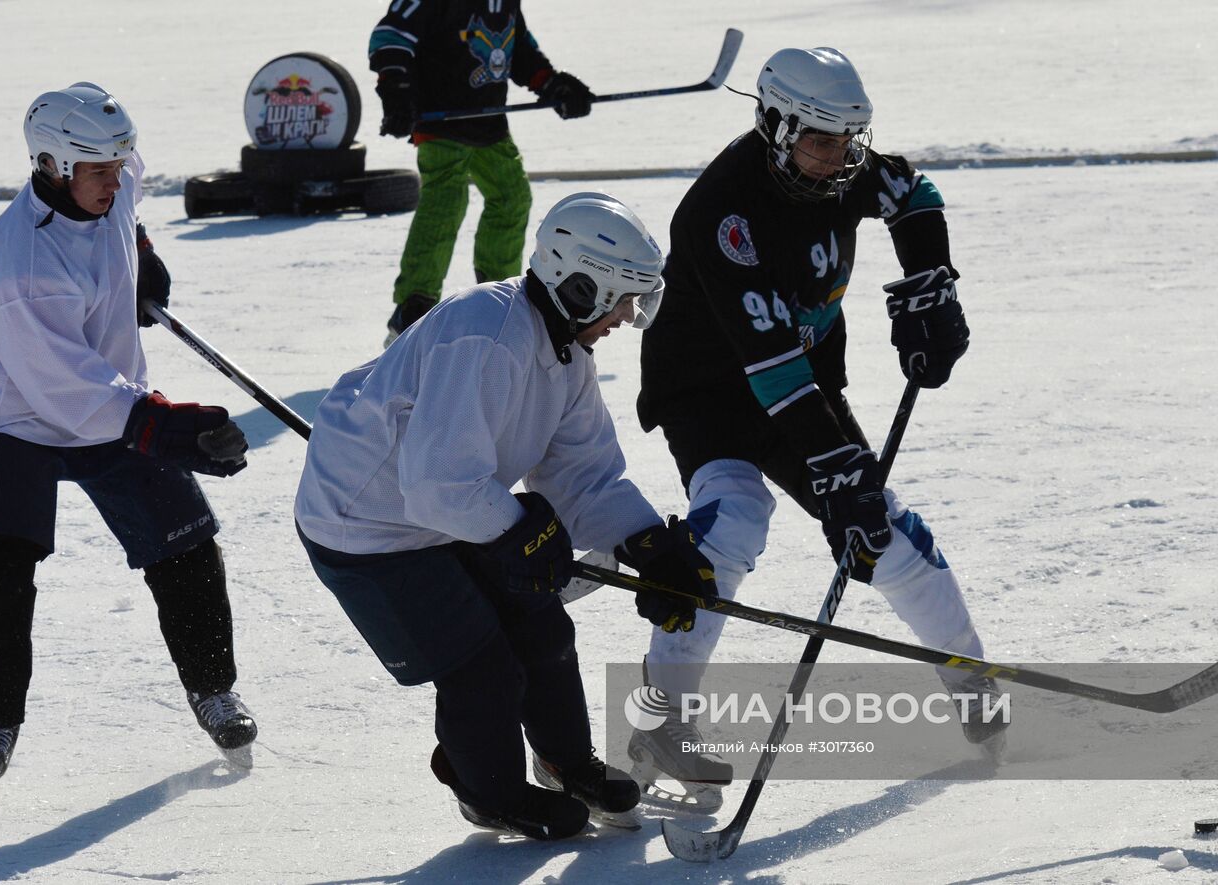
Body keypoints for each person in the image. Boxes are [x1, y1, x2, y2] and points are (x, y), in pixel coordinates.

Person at [629, 47, 1005, 812]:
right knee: (733, 520)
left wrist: (931, 281)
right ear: (774, 125)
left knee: (884, 530)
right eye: (822, 141)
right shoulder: (720, 213)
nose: (840, 161)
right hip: (709, 389)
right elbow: (768, 368)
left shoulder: (836, 165)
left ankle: (971, 676)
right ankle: (661, 723)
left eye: (849, 141)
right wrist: (836, 472)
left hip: (803, 377)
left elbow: (912, 188)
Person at [294, 192, 718, 840]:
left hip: (453, 508)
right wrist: (521, 530)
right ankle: (486, 791)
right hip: (368, 524)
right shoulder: (487, 333)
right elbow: (436, 484)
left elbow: (584, 474)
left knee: (541, 625)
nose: (628, 317)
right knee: (481, 661)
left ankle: (565, 761)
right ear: (579, 286)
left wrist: (649, 545)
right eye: (622, 298)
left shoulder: (567, 357)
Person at [0, 83, 257, 801]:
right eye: (99, 172)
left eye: (119, 167)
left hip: (106, 395)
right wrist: (167, 427)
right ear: (50, 167)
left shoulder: (107, 179)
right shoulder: (16, 266)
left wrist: (138, 247)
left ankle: (215, 691)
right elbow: (68, 391)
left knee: (185, 542)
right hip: (13, 415)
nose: (115, 182)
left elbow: (128, 180)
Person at [368, 0, 595, 346]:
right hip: (440, 121)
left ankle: (497, 299)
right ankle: (414, 305)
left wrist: (552, 84)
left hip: (489, 125)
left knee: (512, 197)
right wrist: (396, 90)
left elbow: (518, 49)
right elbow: (389, 37)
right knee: (446, 201)